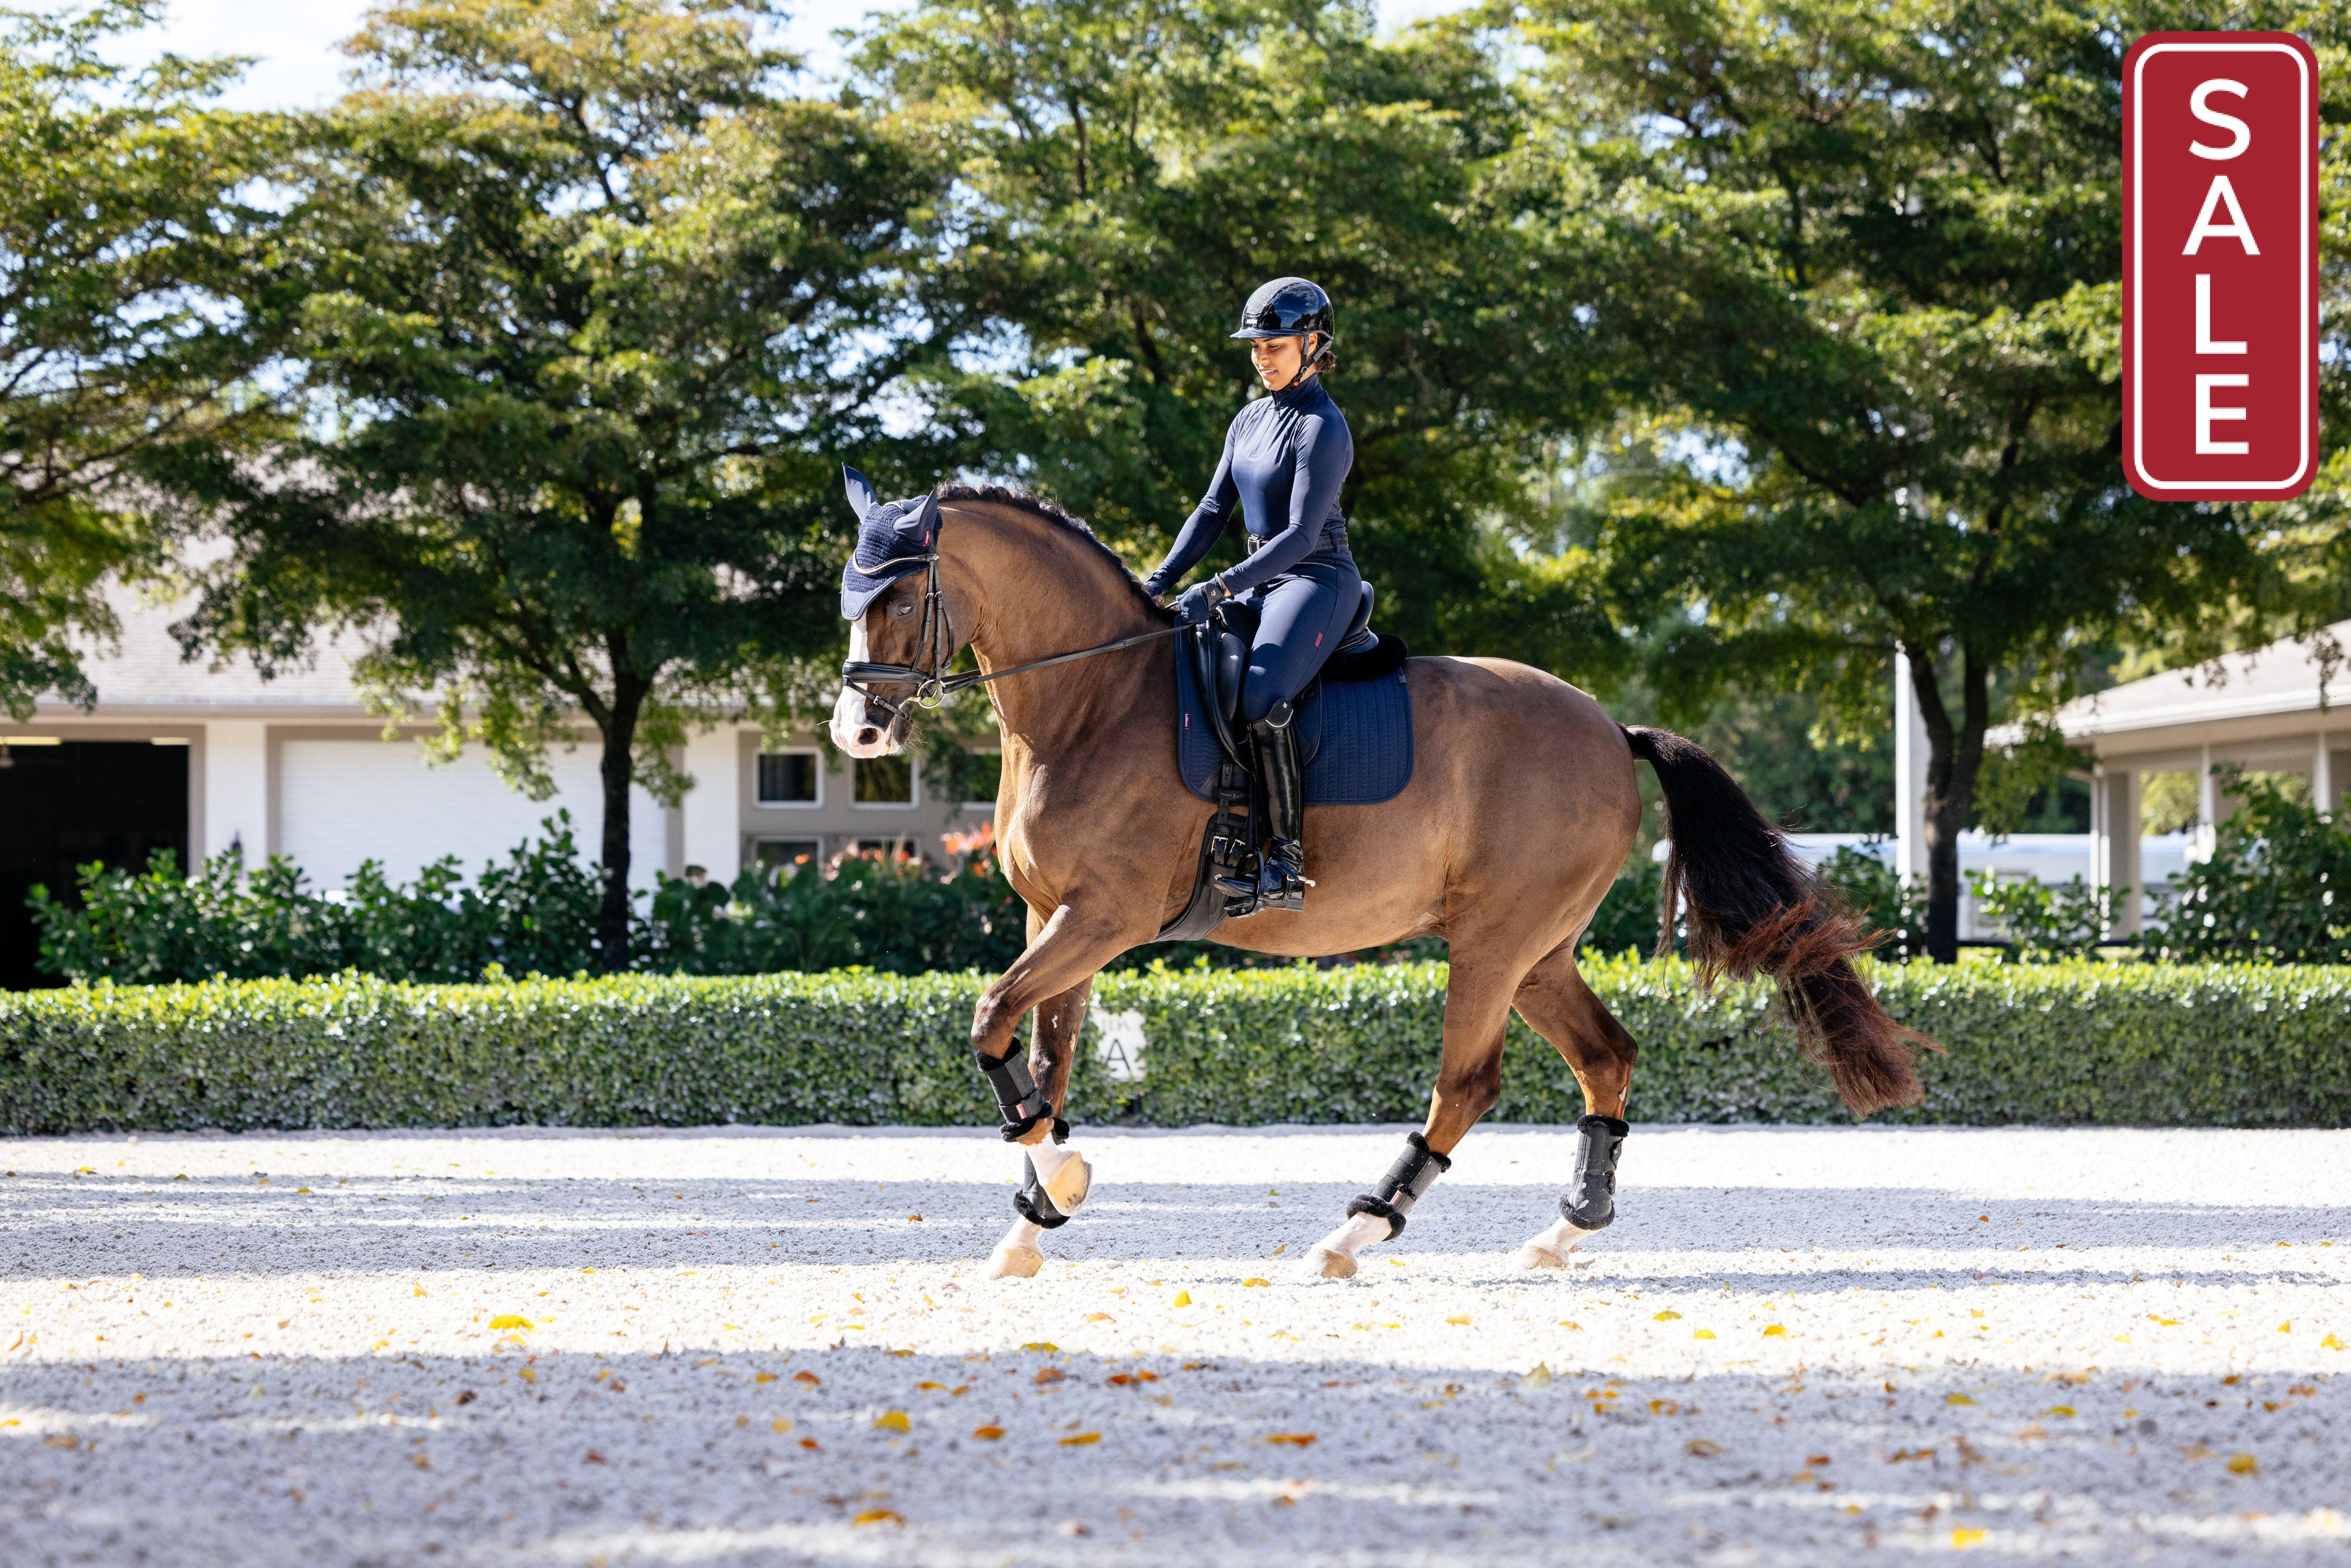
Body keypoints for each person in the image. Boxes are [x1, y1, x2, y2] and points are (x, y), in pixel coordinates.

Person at [1143, 276, 1360, 913]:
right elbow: (1213, 510)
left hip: (1316, 577)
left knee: (1263, 693)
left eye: (1275, 345)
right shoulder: (1249, 420)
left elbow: (1299, 536)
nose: (1262, 357)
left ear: (1313, 345)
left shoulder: (1323, 427)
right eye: (1256, 347)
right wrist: (1157, 582)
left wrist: (1218, 587)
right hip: (1262, 579)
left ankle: (1285, 862)